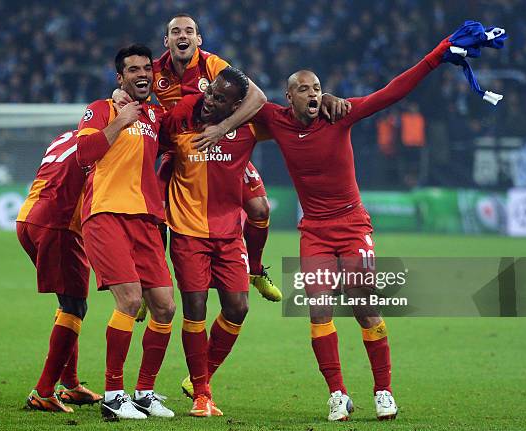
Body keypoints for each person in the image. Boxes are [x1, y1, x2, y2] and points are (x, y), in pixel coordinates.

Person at [251, 36, 455, 421]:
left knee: (364, 304)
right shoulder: (274, 119)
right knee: (318, 310)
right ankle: (337, 394)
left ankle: (383, 391)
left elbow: (393, 92)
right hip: (314, 229)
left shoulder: (339, 114)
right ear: (288, 97)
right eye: (304, 89)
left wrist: (437, 54)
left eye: (317, 88)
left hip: (351, 223)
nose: (313, 94)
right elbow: (238, 96)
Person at [114, 14, 350, 304]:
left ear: (198, 40)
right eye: (175, 31)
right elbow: (133, 88)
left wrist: (222, 129)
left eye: (189, 31)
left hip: (222, 144)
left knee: (260, 209)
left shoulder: (212, 64)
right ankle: (151, 285)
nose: (182, 36)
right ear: (167, 41)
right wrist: (117, 93)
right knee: (157, 214)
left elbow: (258, 97)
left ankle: (255, 270)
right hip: (179, 150)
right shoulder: (157, 70)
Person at [75, 44, 175, 420]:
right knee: (130, 301)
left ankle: (144, 392)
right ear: (120, 78)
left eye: (146, 68)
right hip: (105, 214)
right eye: (133, 70)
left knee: (165, 306)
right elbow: (85, 154)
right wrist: (122, 118)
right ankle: (113, 394)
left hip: (146, 220)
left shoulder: (156, 116)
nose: (142, 74)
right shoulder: (101, 109)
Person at [160, 67, 266, 417]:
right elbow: (156, 144)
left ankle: (199, 376)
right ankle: (202, 394)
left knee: (238, 308)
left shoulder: (248, 128)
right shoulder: (182, 120)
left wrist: (324, 100)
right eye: (210, 93)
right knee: (196, 310)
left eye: (221, 99)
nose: (210, 101)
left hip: (228, 233)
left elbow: (289, 119)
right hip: (188, 234)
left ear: (237, 105)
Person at [16, 130, 102, 412]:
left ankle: (71, 384)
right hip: (59, 224)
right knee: (75, 305)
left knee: (68, 302)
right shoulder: (102, 142)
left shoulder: (64, 137)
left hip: (29, 218)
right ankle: (44, 390)